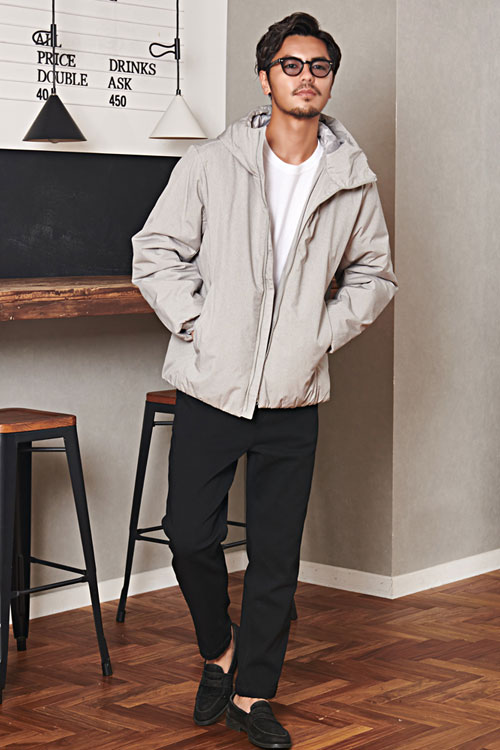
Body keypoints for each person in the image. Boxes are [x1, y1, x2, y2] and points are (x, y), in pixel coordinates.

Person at [131, 11, 398, 749]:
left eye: (319, 66)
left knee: (276, 557)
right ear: (264, 77)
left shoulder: (352, 179)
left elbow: (374, 277)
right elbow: (155, 250)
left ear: (330, 80)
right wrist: (198, 323)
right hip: (212, 386)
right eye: (291, 64)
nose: (306, 77)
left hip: (293, 395)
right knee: (189, 534)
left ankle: (252, 695)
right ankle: (219, 651)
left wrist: (318, 335)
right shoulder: (212, 163)